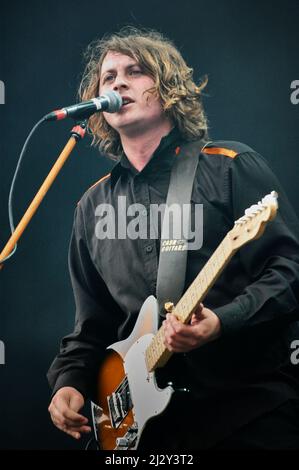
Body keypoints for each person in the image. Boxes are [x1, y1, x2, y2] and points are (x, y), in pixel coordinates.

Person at [47, 27, 299, 450]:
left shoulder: (230, 168)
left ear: (169, 89)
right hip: (148, 432)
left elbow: (290, 273)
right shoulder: (91, 206)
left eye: (135, 72)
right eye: (108, 78)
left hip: (247, 413)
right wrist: (68, 382)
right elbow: (92, 325)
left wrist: (222, 321)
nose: (118, 83)